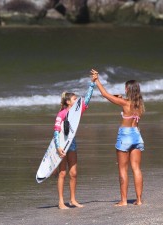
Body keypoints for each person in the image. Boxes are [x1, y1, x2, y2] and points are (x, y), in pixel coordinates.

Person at [91, 69, 145, 206]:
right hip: (137, 135)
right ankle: (139, 200)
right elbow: (128, 104)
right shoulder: (140, 105)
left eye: (125, 88)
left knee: (122, 169)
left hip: (125, 135)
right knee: (136, 168)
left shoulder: (125, 103)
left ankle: (123, 200)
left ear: (128, 89)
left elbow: (105, 94)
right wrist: (121, 98)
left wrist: (96, 80)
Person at [54, 75, 96, 209]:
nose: (77, 100)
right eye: (74, 99)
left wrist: (92, 84)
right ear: (67, 102)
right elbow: (56, 131)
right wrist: (58, 147)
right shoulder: (61, 114)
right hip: (61, 144)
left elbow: (87, 101)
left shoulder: (76, 112)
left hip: (72, 143)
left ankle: (72, 200)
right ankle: (61, 202)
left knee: (73, 173)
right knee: (62, 173)